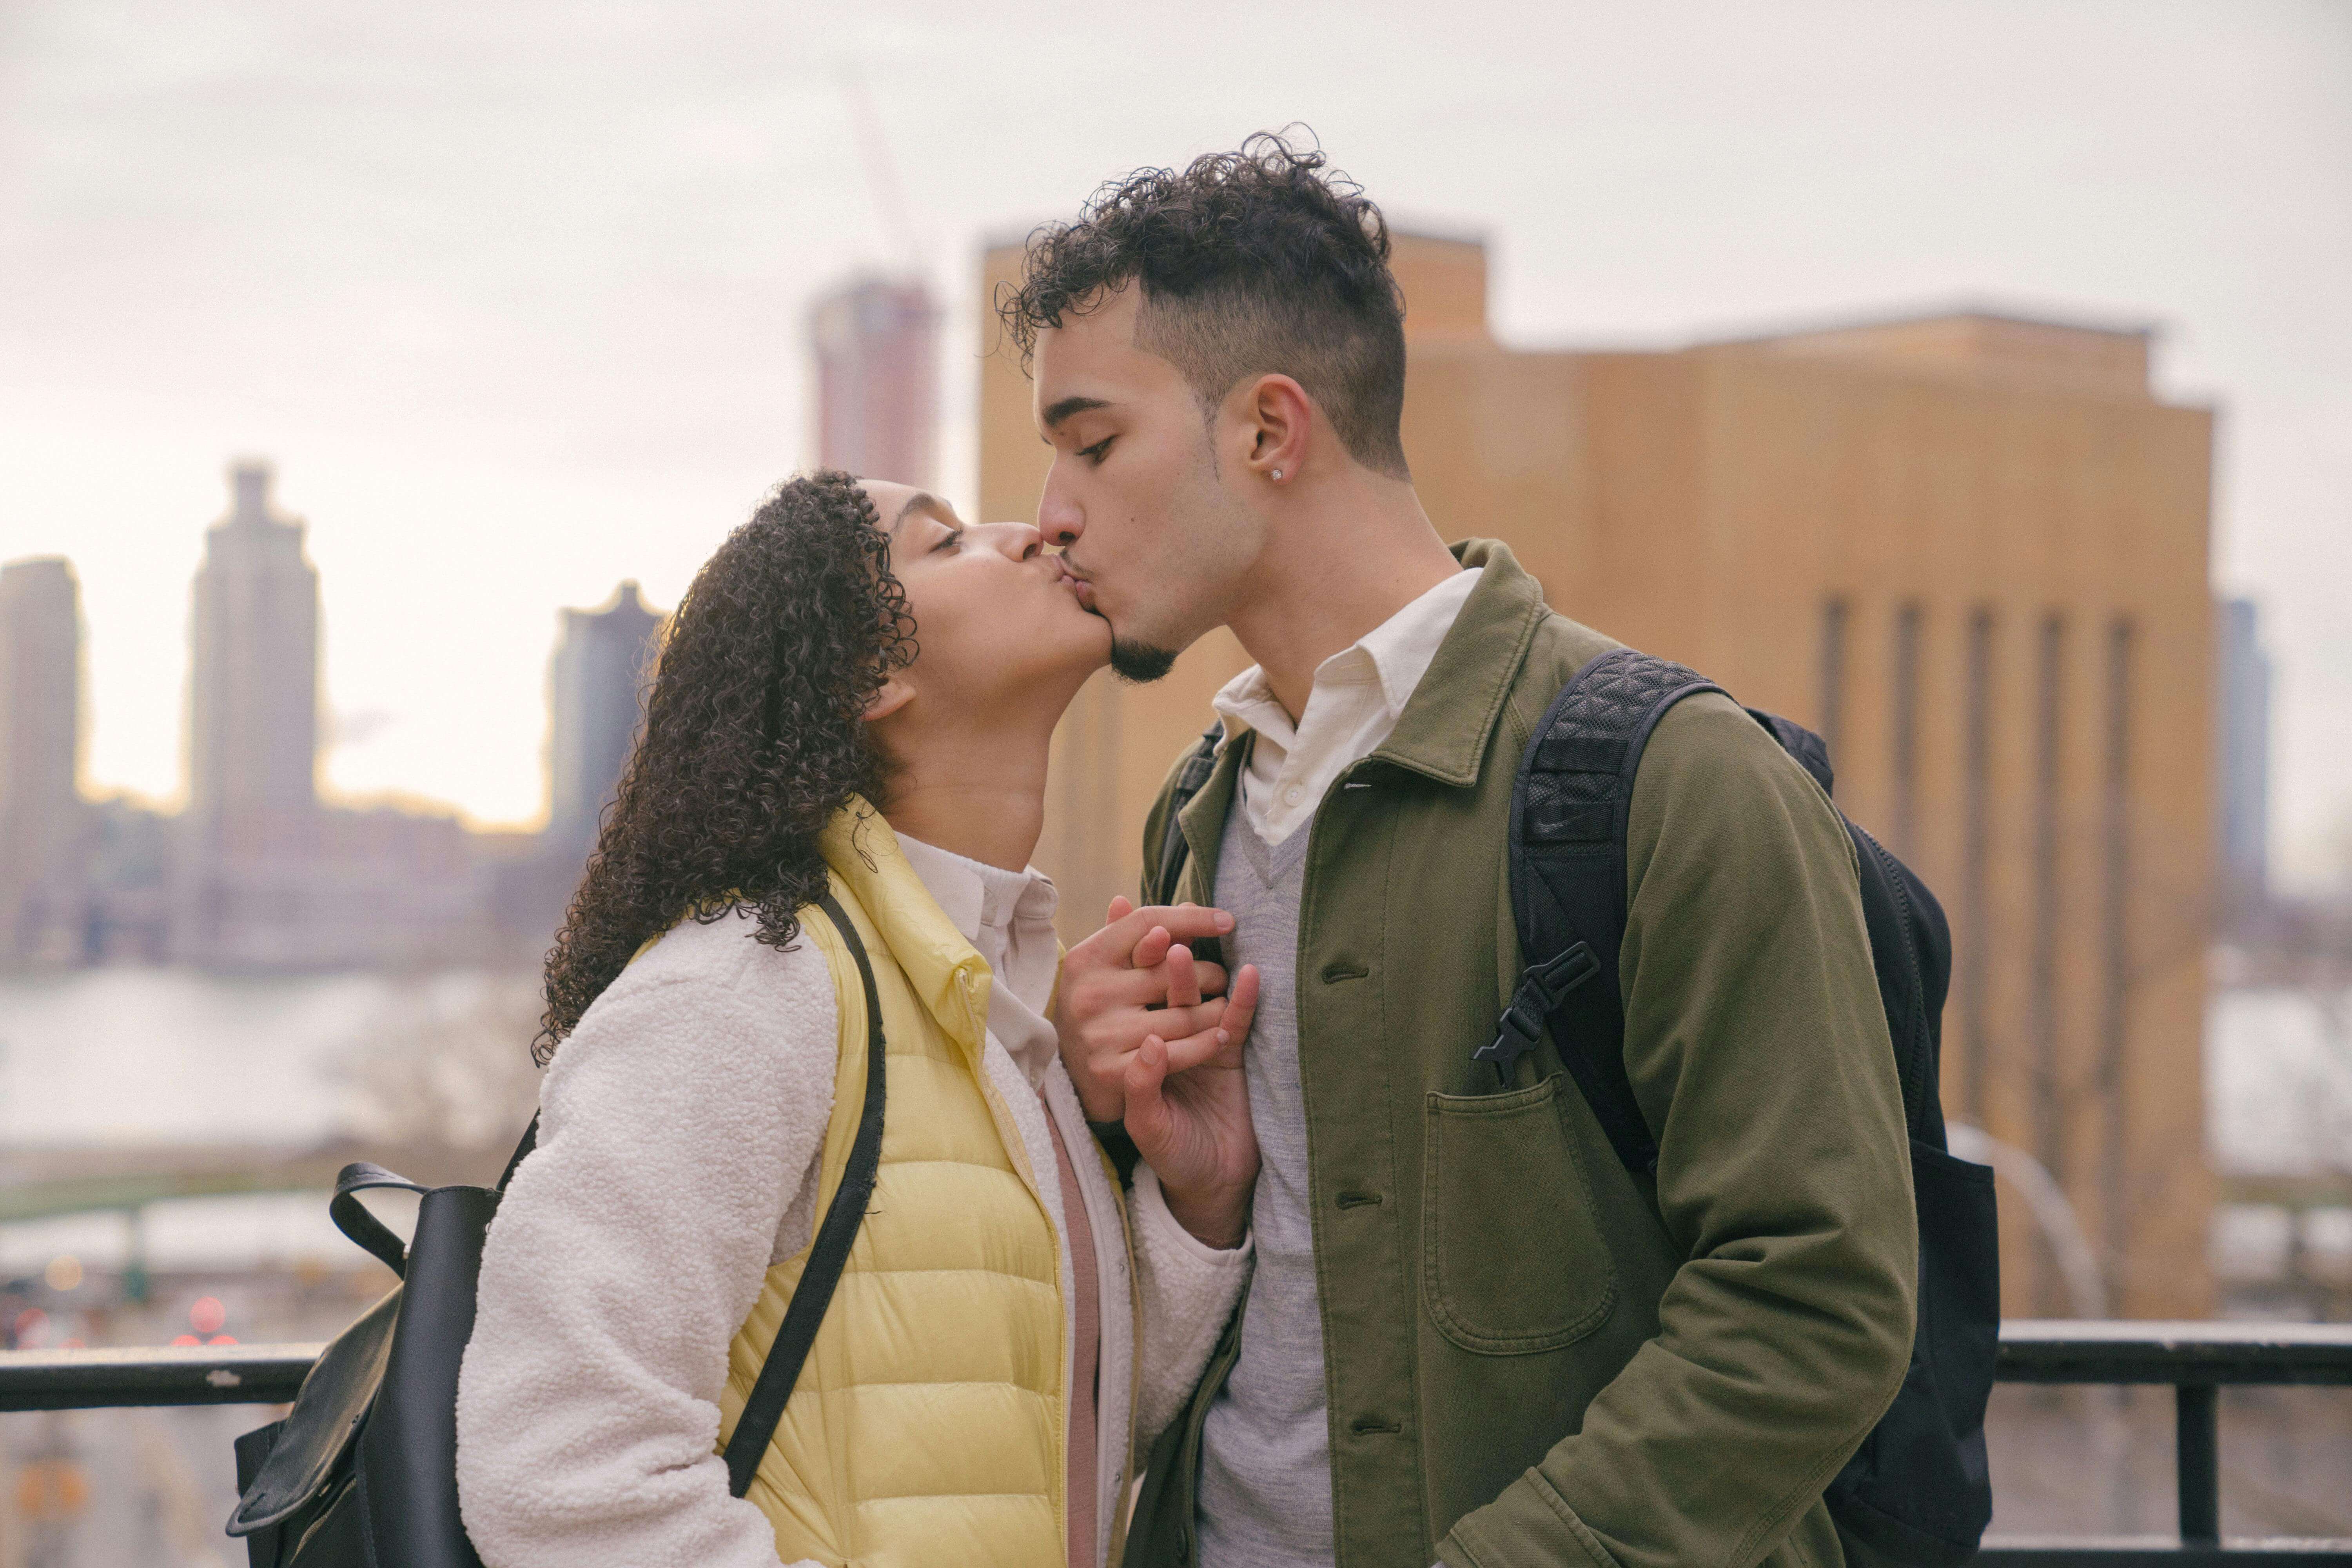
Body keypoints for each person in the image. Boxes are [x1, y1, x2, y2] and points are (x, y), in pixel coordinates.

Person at [1021, 136, 1920, 1568]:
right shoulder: (1199, 809)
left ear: (1268, 431)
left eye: (1092, 441)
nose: (1052, 514)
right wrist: (1159, 1165)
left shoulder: (1673, 782)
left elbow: (1818, 1300)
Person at [455, 471, 1262, 1568]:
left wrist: (1198, 1201)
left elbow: (1034, 1426)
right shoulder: (747, 989)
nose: (1031, 534)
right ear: (872, 674)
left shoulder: (986, 1016)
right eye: (946, 540)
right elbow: (558, 1474)